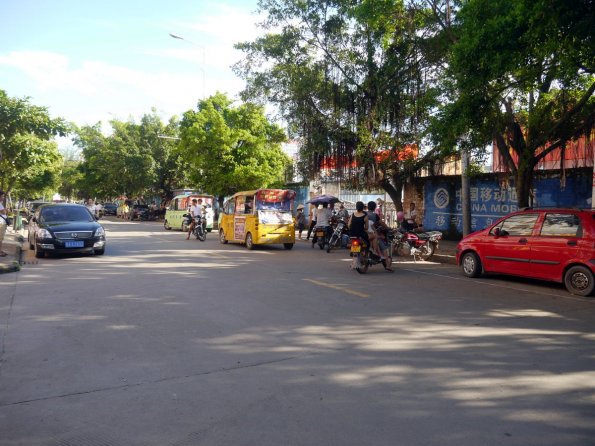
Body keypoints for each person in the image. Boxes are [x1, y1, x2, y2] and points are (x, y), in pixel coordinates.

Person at [0, 191, 7, 256]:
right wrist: (6, 209)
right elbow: (3, 212)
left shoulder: (0, 203)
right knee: (0, 238)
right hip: (1, 223)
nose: (3, 197)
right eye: (2, 196)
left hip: (2, 222)